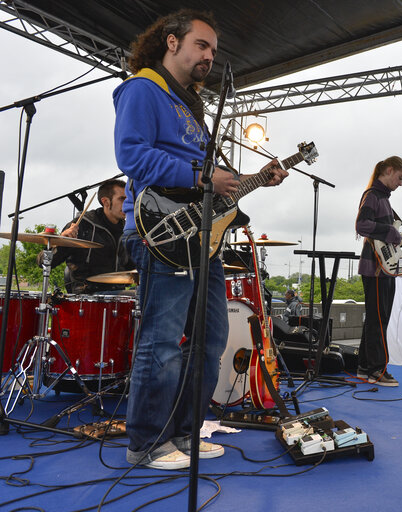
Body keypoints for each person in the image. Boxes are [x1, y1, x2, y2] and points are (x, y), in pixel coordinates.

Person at [113, 9, 288, 470]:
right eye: (202, 45)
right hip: (162, 230)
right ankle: (147, 443)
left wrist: (252, 180)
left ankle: (186, 433)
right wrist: (204, 173)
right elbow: (132, 155)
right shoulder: (143, 89)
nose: (211, 55)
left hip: (202, 237)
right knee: (163, 340)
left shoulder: (192, 105)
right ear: (172, 42)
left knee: (209, 340)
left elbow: (211, 179)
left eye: (214, 49)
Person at [355, 156, 402, 386]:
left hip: (383, 267)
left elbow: (392, 242)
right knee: (378, 319)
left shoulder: (384, 199)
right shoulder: (372, 196)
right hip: (375, 268)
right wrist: (390, 232)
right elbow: (361, 225)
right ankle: (377, 370)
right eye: (400, 177)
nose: (401, 183)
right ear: (388, 170)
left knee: (376, 319)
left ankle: (365, 368)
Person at [37, 179, 133, 294]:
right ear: (106, 202)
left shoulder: (127, 230)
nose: (128, 203)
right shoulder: (83, 225)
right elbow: (43, 262)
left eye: (129, 199)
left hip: (117, 293)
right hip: (87, 295)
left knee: (145, 295)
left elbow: (131, 268)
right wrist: (61, 242)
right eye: (122, 199)